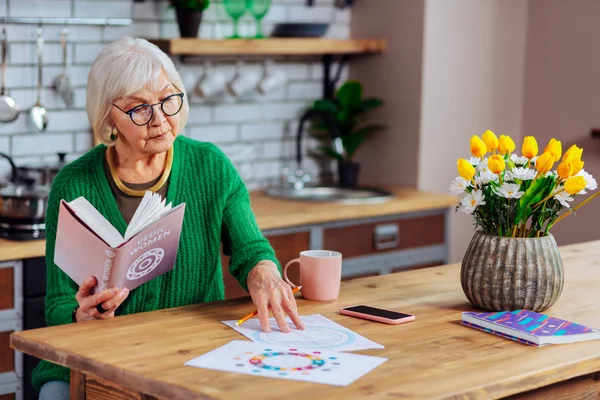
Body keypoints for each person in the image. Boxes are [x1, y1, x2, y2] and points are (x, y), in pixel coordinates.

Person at [33, 36, 304, 399]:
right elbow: (57, 303)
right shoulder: (74, 182)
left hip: (187, 351)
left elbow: (251, 249)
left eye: (168, 99)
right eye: (139, 109)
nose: (160, 119)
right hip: (93, 355)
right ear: (107, 116)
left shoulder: (210, 167)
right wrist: (81, 315)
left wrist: (264, 271)